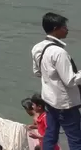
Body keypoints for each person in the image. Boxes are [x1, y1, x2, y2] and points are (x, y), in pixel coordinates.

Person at [33, 12, 81, 150]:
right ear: (56, 28)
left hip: (49, 99)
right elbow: (70, 81)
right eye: (64, 27)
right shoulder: (59, 53)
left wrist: (52, 79)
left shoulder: (38, 48)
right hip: (65, 104)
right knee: (75, 138)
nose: (67, 29)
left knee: (50, 134)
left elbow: (37, 72)